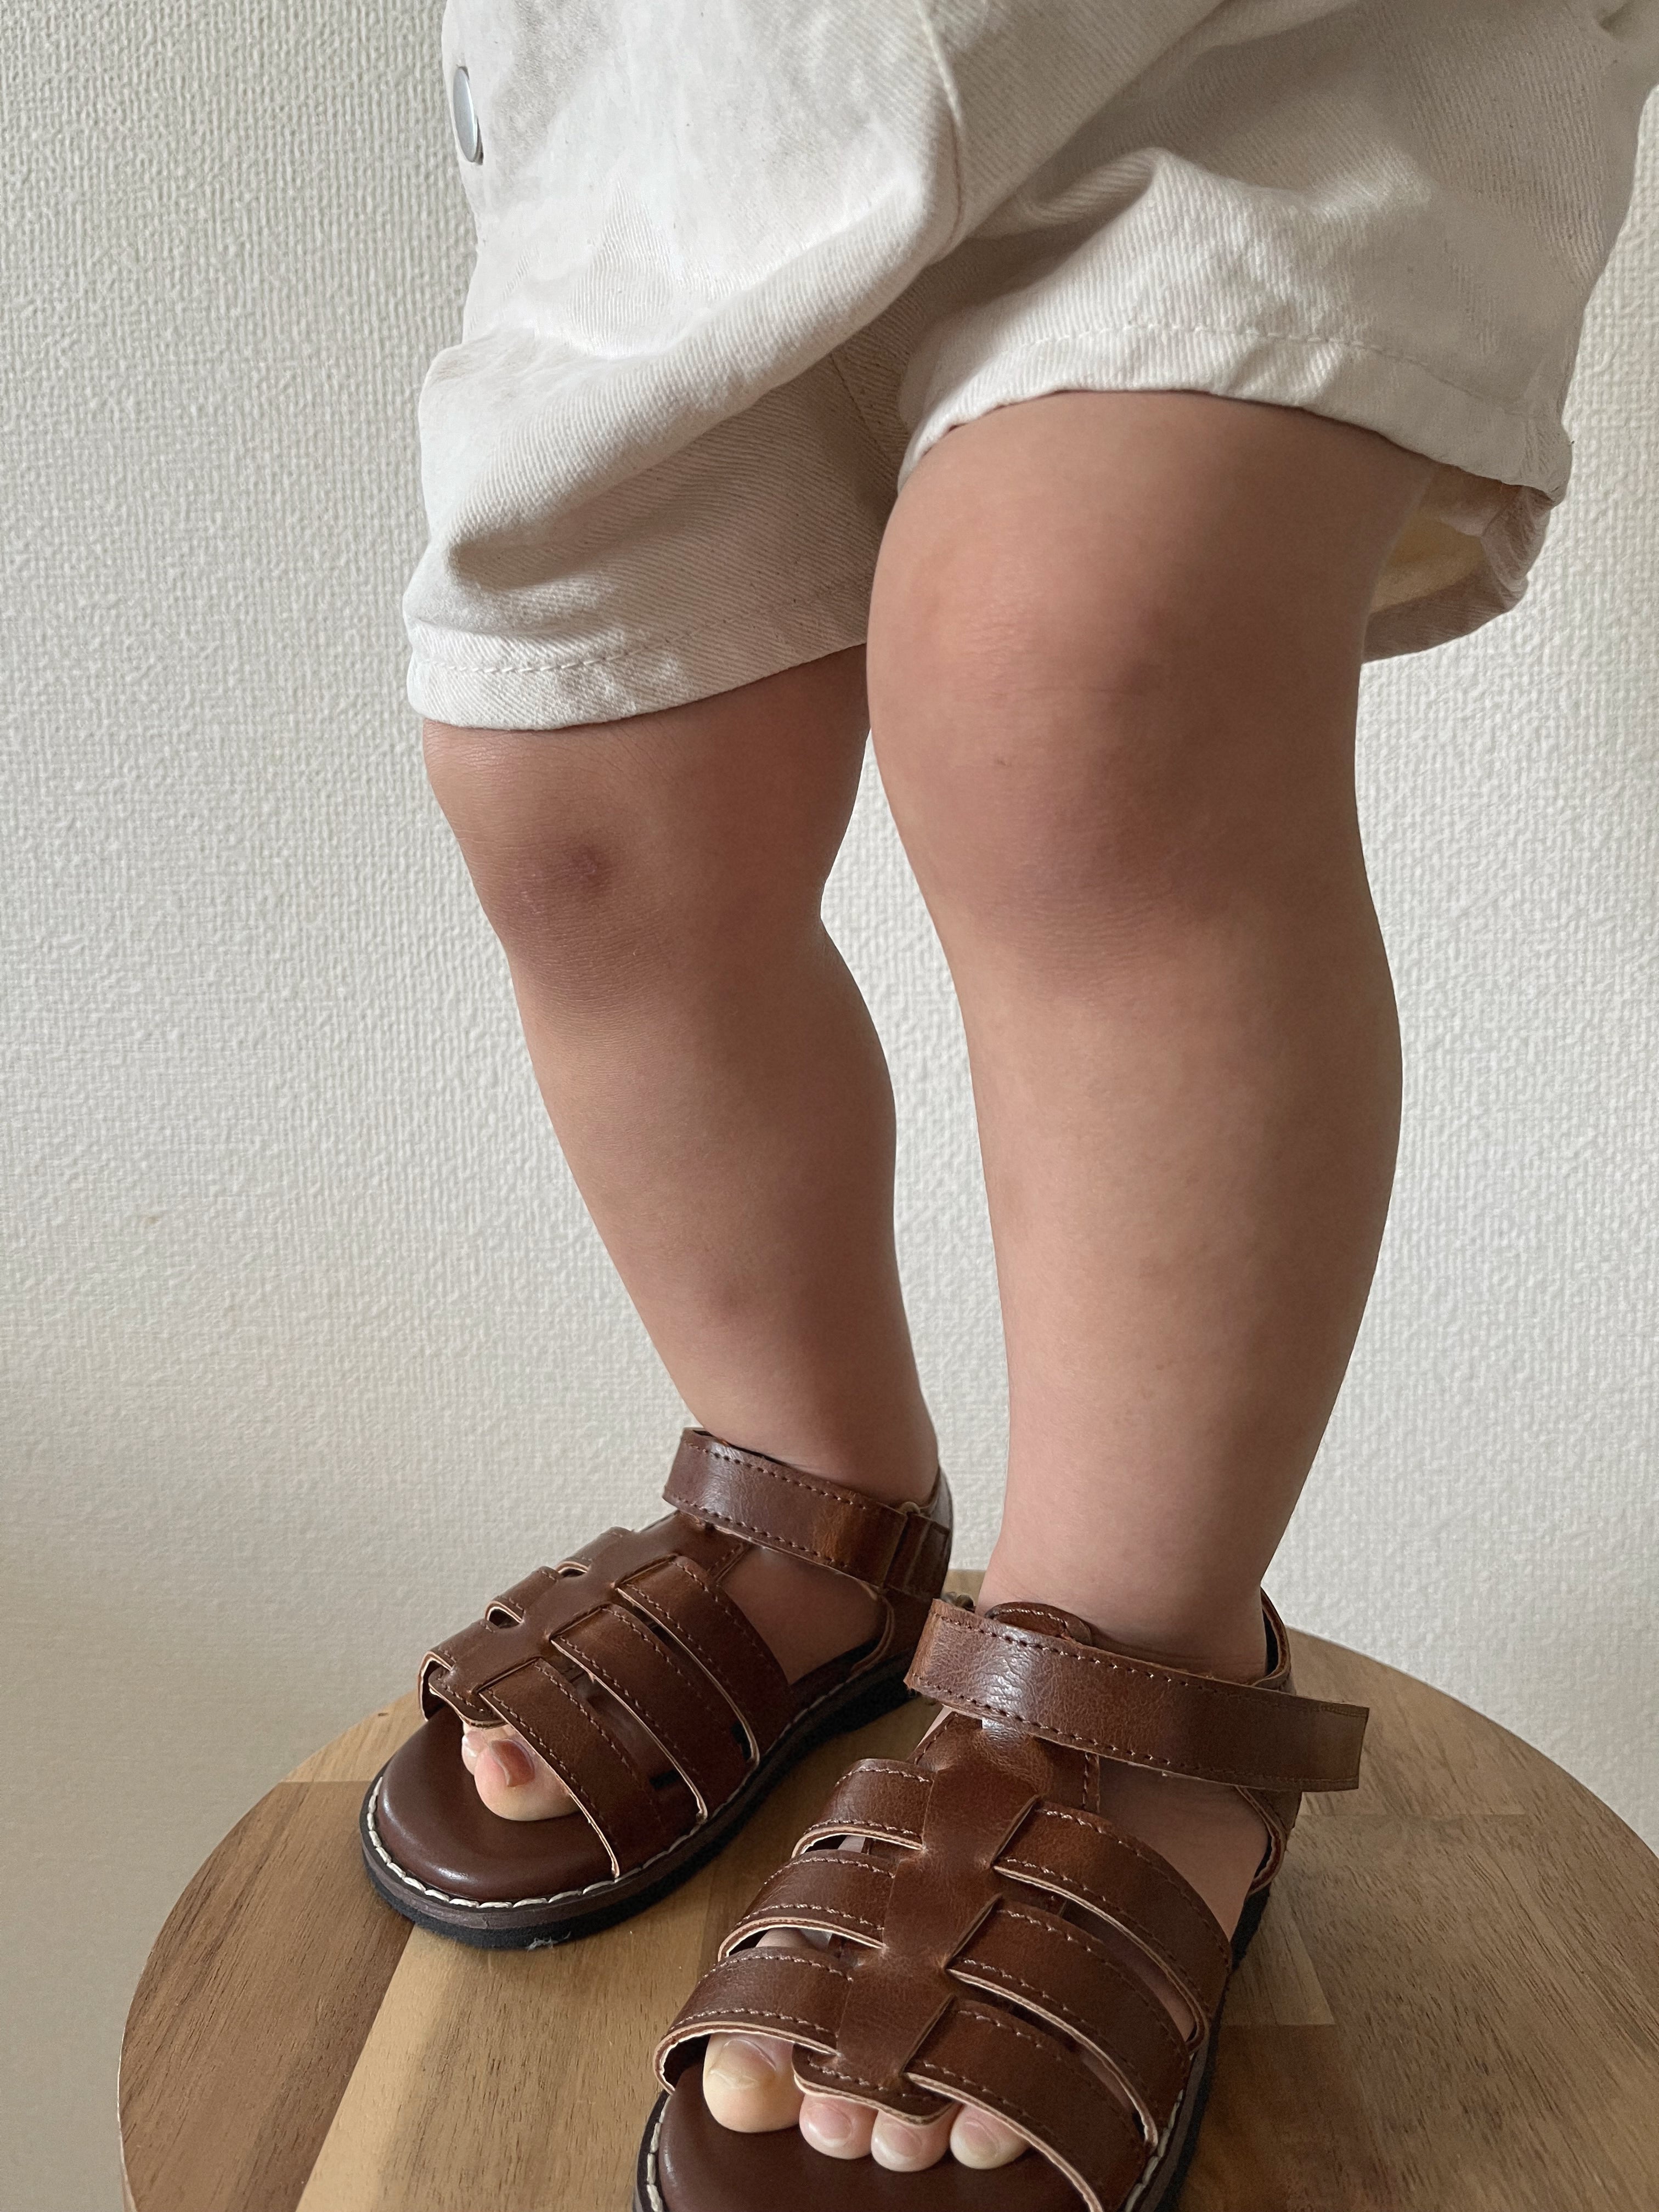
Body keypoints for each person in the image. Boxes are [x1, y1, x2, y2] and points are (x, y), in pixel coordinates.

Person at [362, 4, 1659, 2204]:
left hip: (1240, 43)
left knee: (1082, 674)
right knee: (579, 790)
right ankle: (810, 1508)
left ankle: (1126, 1666)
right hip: (680, 74)